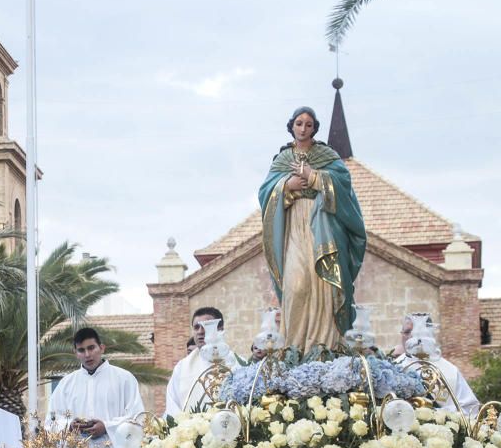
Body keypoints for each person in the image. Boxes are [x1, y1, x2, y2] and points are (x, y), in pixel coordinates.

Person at [259, 106, 367, 351]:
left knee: (325, 284)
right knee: (296, 286)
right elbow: (265, 193)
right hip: (293, 228)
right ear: (292, 126)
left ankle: (327, 347)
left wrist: (315, 177)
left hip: (323, 226)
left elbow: (344, 186)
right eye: (299, 123)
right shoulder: (282, 160)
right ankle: (294, 348)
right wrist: (288, 185)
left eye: (308, 124)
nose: (303, 128)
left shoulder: (327, 156)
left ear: (314, 128)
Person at [393, 314, 480, 417]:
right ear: (401, 334)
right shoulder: (393, 368)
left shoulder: (450, 370)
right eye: (407, 332)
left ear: (430, 334)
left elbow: (470, 409)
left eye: (420, 332)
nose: (413, 337)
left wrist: (442, 417)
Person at [164, 307, 239, 417]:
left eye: (205, 326)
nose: (200, 331)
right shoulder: (182, 367)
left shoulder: (238, 363)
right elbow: (172, 405)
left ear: (220, 329)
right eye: (196, 327)